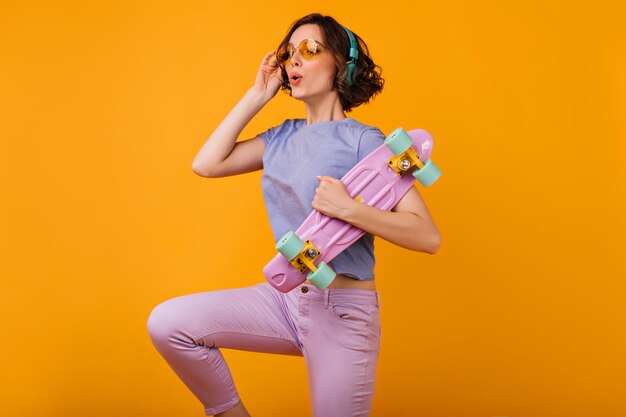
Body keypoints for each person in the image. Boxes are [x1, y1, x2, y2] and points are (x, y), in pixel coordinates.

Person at [147, 13, 440, 417]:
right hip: (283, 301)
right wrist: (257, 95)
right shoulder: (279, 137)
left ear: (340, 63)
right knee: (169, 323)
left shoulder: (364, 141)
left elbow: (427, 236)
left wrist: (350, 210)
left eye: (310, 50)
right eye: (290, 53)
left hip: (343, 311)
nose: (294, 61)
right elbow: (206, 164)